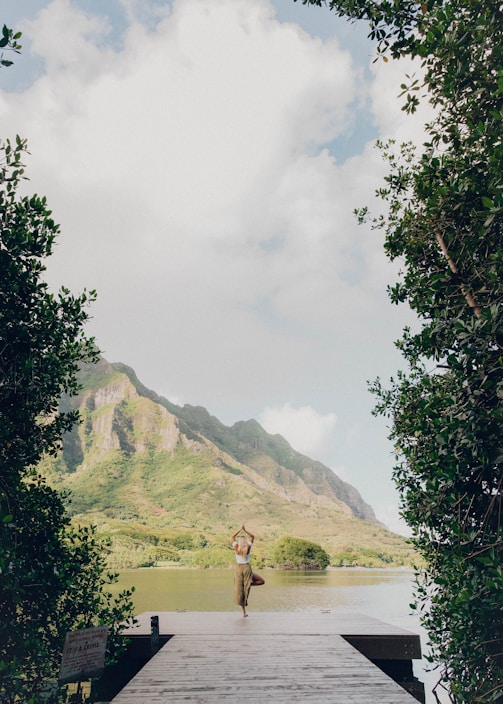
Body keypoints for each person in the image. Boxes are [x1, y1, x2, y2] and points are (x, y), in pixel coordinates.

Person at [231, 524, 265, 616]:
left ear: (239, 542)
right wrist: (245, 530)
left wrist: (239, 529)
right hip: (246, 568)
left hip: (238, 569)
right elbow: (252, 536)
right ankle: (248, 584)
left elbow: (232, 536)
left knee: (240, 590)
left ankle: (244, 612)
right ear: (245, 542)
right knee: (261, 581)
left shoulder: (236, 548)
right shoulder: (248, 548)